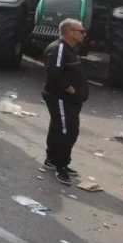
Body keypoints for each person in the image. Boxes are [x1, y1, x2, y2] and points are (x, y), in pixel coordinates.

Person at [42, 18, 89, 186]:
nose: (84, 34)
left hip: (70, 100)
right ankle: (61, 166)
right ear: (70, 32)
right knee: (67, 131)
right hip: (61, 98)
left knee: (58, 128)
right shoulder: (59, 48)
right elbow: (54, 72)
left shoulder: (70, 48)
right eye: (81, 31)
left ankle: (52, 160)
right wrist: (71, 89)